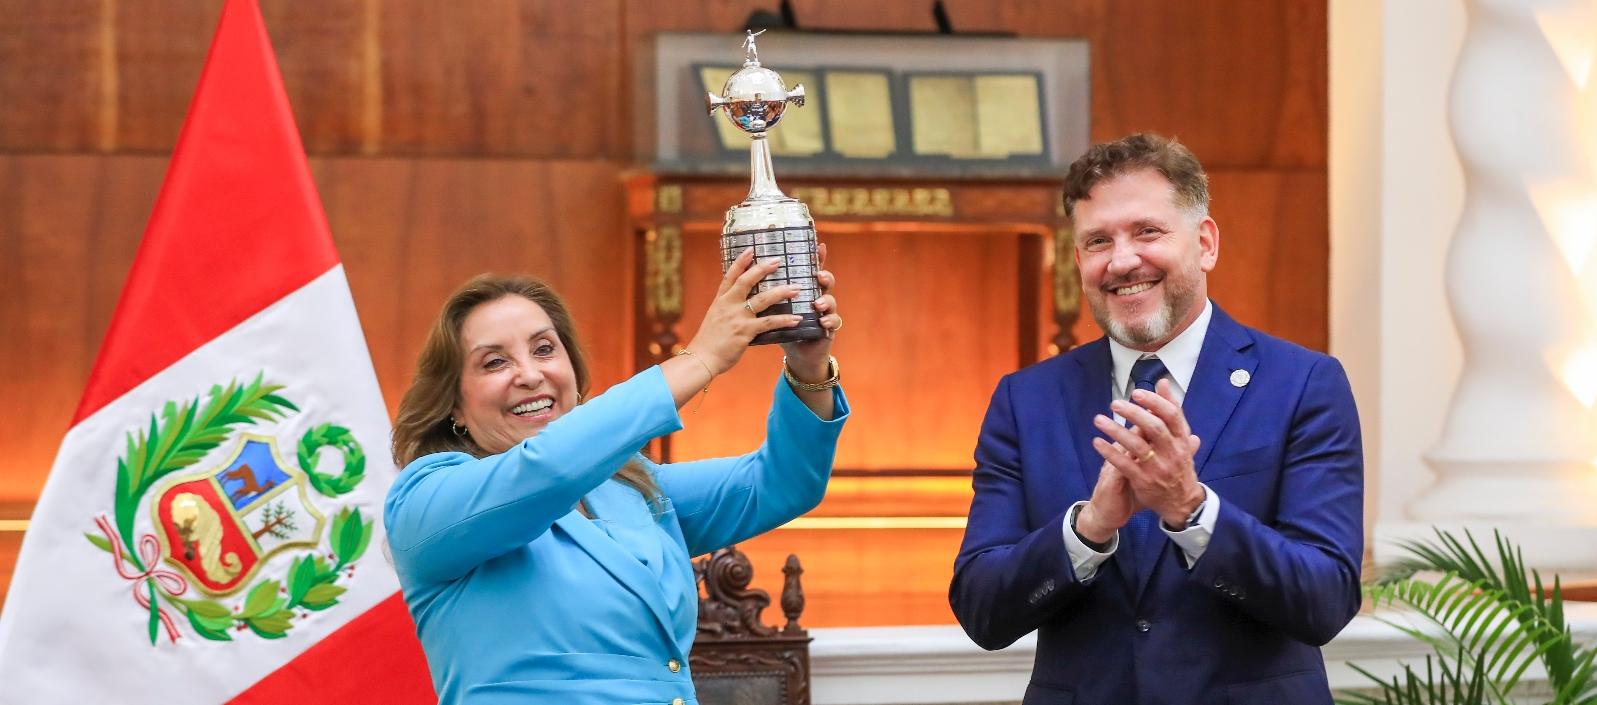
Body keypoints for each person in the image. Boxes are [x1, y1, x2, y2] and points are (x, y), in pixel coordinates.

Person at [949, 133, 1363, 705]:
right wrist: (1087, 530)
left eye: (1148, 231)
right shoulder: (1027, 400)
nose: (1122, 261)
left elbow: (1326, 600)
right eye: (1098, 241)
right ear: (1078, 262)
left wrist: (1192, 511)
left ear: (1206, 242)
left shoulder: (1303, 385)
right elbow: (981, 610)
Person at [385, 248, 848, 705]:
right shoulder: (423, 502)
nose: (530, 374)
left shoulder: (630, 487)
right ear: (454, 407)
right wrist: (700, 358)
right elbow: (547, 468)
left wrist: (808, 367)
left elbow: (782, 482)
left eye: (545, 349)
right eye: (494, 362)